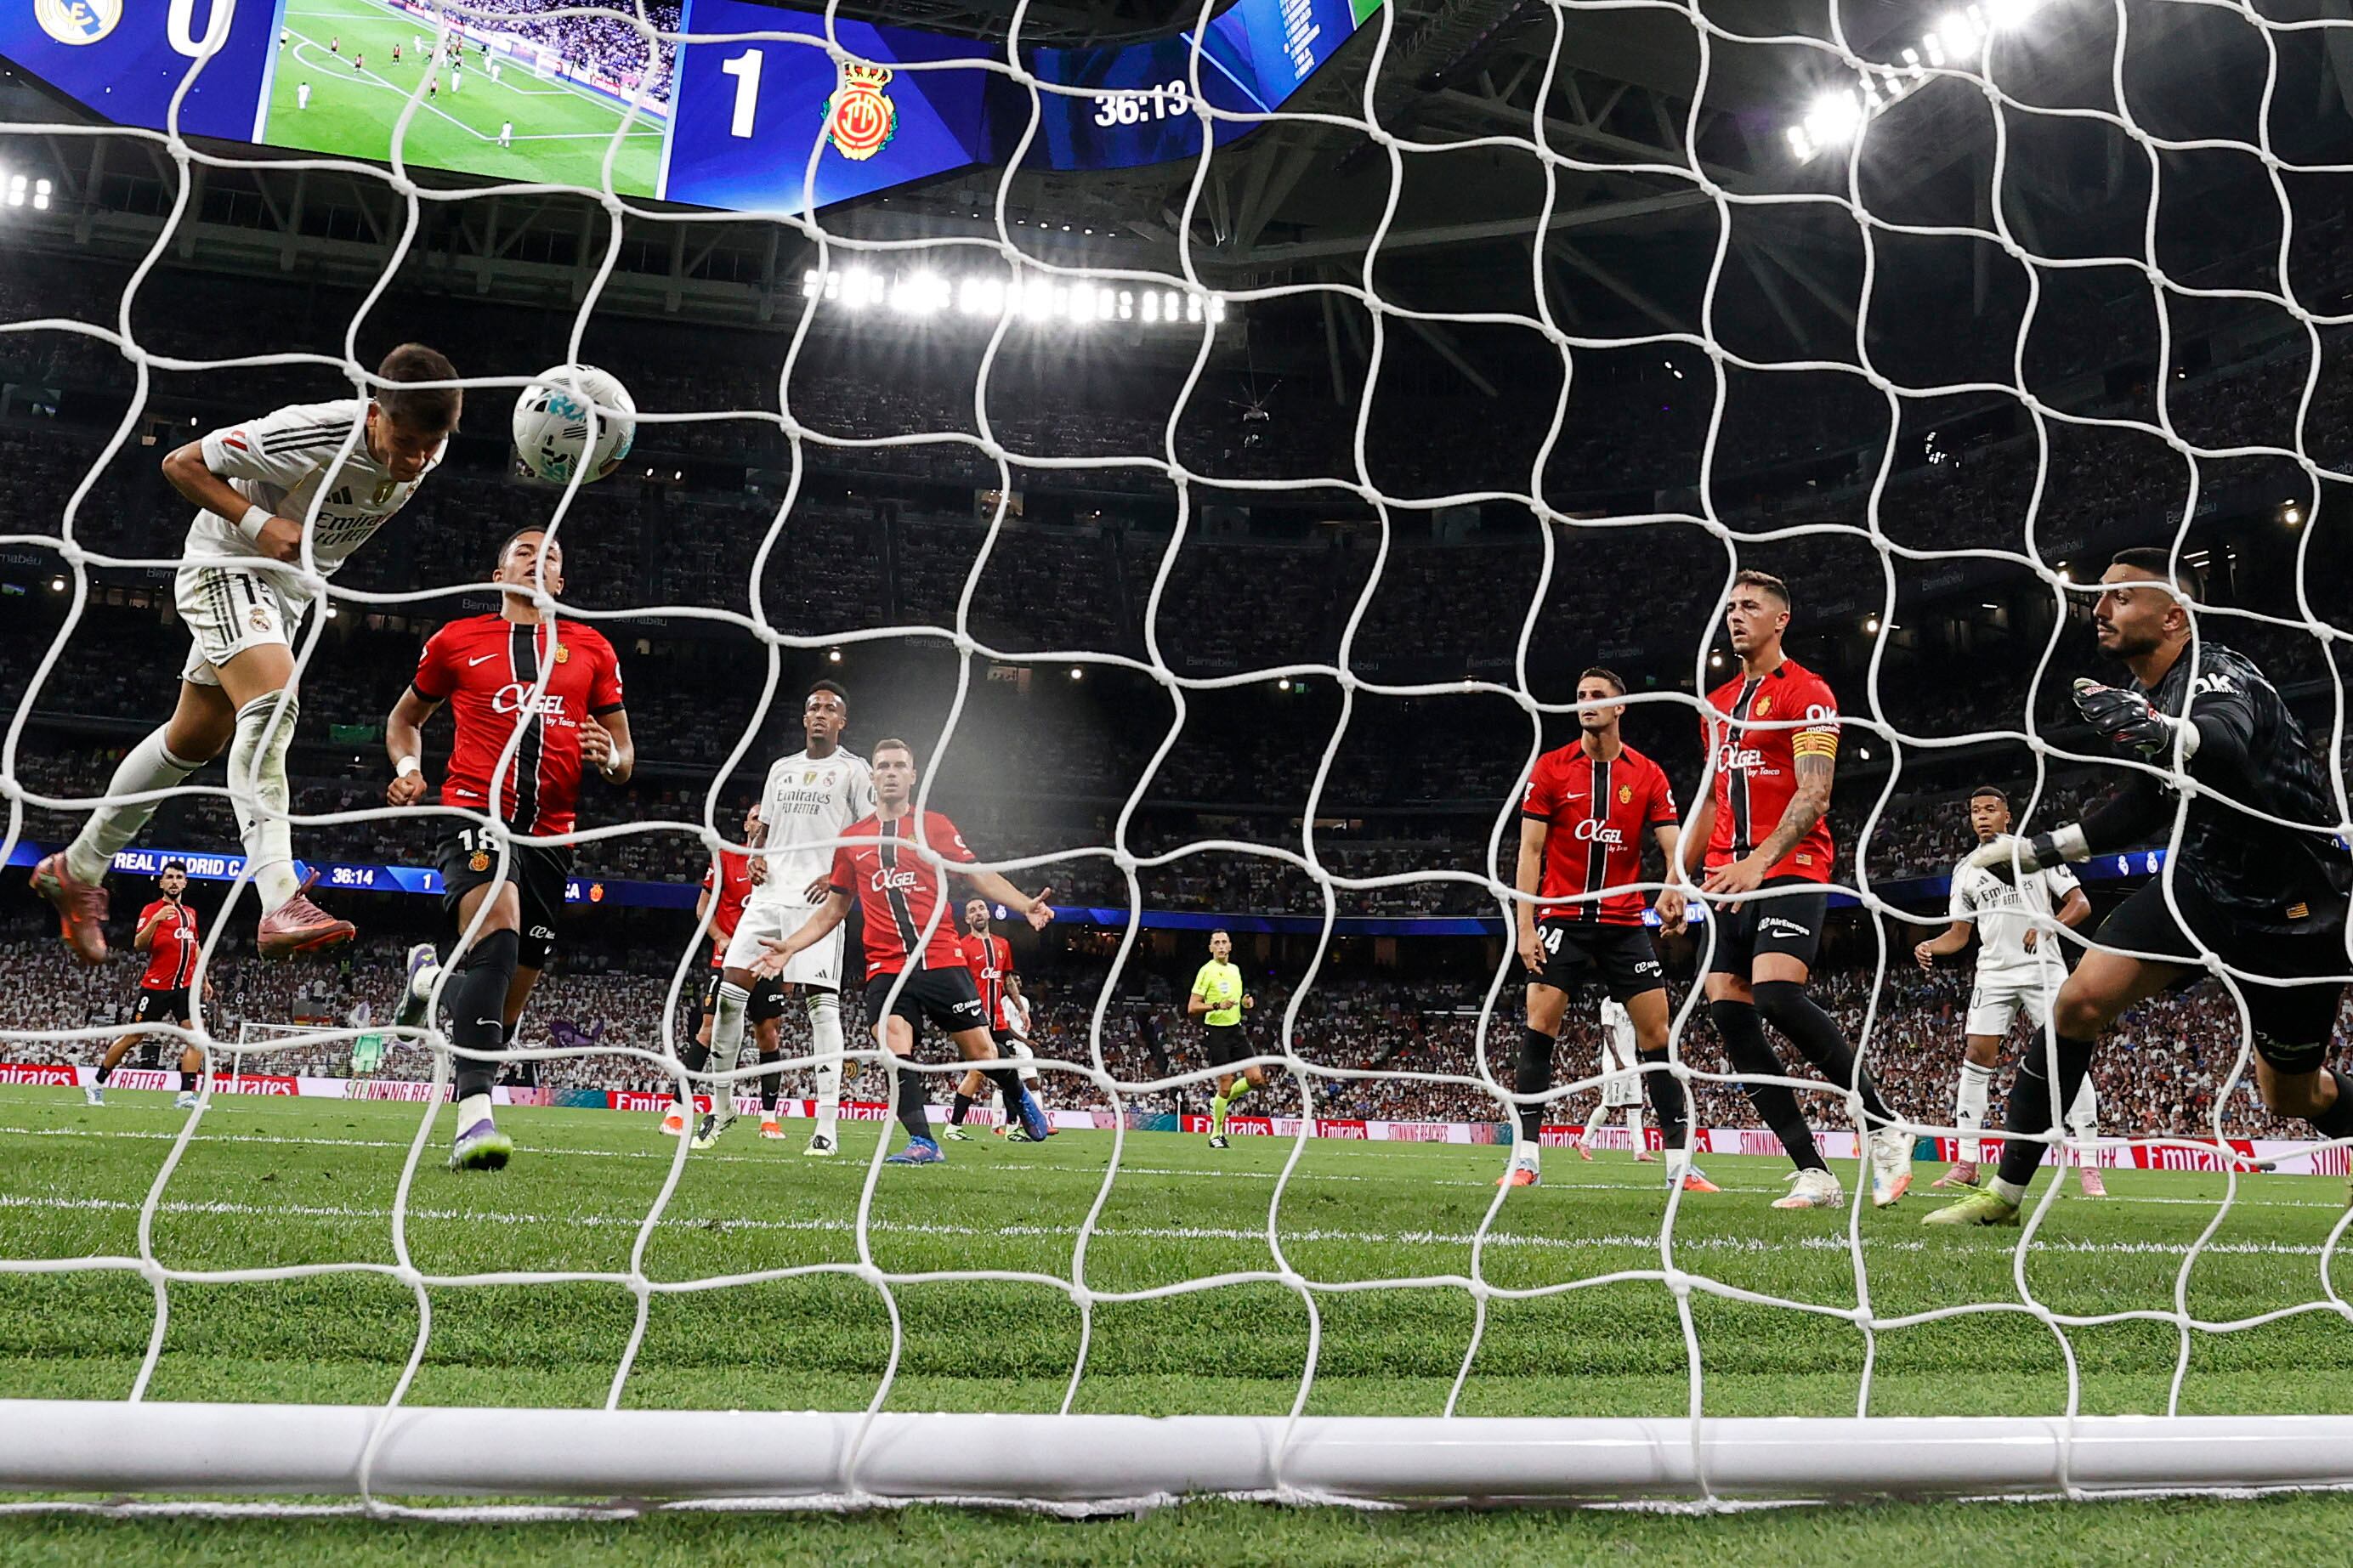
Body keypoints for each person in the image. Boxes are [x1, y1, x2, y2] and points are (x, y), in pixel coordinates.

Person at [1929, 549, 2353, 1224]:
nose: (2100, 608)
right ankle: (2004, 1193)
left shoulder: (2217, 672)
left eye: (2121, 596)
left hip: (2293, 905)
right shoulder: (2155, 695)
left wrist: (2164, 731)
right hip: (2201, 884)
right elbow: (2145, 805)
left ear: (2174, 615)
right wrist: (2035, 851)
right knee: (2077, 1003)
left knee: (2291, 1096)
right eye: (2101, 596)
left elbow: (2225, 740)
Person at [32, 345, 461, 968]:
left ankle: (77, 867)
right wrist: (259, 522)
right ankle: (279, 895)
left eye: (431, 445)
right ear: (376, 413)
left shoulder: (427, 444)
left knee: (193, 738)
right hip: (228, 563)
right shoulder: (313, 432)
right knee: (274, 703)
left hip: (288, 592)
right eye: (406, 441)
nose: (416, 459)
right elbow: (181, 463)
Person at [383, 527, 632, 1172]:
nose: (538, 559)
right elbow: (404, 719)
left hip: (551, 834)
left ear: (560, 582)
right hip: (474, 809)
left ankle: (431, 982)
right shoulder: (456, 640)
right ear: (498, 575)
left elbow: (624, 753)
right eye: (525, 551)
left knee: (507, 1000)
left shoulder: (592, 649)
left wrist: (610, 757)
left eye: (551, 556)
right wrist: (409, 767)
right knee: (496, 933)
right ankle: (474, 1120)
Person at [1680, 570, 1913, 1210]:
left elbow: (1816, 794)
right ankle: (1813, 1170)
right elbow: (1712, 800)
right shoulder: (1716, 704)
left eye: (1750, 606)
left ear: (1781, 619)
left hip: (1789, 867)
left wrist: (1759, 862)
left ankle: (1884, 1124)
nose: (1736, 616)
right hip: (1726, 875)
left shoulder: (1808, 693)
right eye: (1731, 607)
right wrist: (1677, 877)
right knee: (1729, 1011)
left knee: (1778, 995)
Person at [752, 738, 1053, 1163]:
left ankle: (1016, 1093)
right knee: (892, 1046)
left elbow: (978, 874)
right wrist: (791, 945)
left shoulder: (934, 826)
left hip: (940, 957)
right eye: (883, 766)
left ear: (912, 776)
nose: (890, 773)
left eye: (898, 766)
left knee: (983, 1054)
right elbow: (835, 907)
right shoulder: (852, 839)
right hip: (886, 965)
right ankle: (923, 1141)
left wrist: (1024, 905)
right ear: (872, 777)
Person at [1502, 666, 1710, 1192]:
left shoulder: (1648, 774)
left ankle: (1679, 1164)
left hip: (1623, 923)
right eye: (1580, 696)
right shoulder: (1550, 769)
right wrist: (1525, 925)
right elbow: (1529, 852)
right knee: (1539, 1027)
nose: (1586, 702)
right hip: (1562, 918)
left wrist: (1675, 889)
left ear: (1621, 707)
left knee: (1658, 1037)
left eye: (1597, 695)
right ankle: (1526, 1159)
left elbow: (1672, 847)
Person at [694, 682, 869, 1156]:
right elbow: (763, 832)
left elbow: (869, 835)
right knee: (729, 996)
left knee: (821, 1008)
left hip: (817, 901)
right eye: (813, 707)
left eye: (830, 709)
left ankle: (827, 1126)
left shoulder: (854, 770)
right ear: (804, 718)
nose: (820, 714)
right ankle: (722, 1107)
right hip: (768, 898)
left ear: (842, 721)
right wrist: (755, 857)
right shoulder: (781, 769)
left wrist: (838, 878)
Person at [1914, 785, 2102, 1196]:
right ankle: (1967, 1163)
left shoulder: (2034, 852)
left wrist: (2049, 925)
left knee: (2066, 1057)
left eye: (1990, 809)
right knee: (1976, 1056)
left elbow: (2079, 904)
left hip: (2043, 969)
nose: (1982, 816)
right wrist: (1930, 945)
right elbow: (1959, 934)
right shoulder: (1966, 870)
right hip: (1993, 973)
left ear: (2006, 816)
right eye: (1975, 811)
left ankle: (2089, 1165)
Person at [662, 806, 789, 1139]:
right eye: (755, 816)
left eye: (767, 817)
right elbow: (702, 907)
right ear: (747, 824)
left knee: (768, 1034)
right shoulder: (726, 858)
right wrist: (719, 937)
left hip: (767, 962)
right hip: (728, 961)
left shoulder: (784, 862)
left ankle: (769, 1118)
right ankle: (676, 1111)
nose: (761, 822)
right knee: (708, 1030)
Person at [85, 863, 212, 1111]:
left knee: (197, 1038)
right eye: (169, 877)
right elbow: (139, 944)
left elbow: (194, 945)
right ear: (161, 883)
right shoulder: (152, 910)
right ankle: (96, 1084)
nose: (174, 881)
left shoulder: (190, 913)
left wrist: (205, 977)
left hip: (184, 988)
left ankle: (186, 1095)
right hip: (156, 988)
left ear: (185, 883)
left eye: (179, 877)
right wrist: (155, 920)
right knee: (134, 1037)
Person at [944, 897, 1042, 1140]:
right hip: (976, 1022)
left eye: (981, 908)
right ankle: (956, 1127)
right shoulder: (962, 946)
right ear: (967, 919)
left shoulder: (1002, 945)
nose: (978, 913)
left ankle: (1009, 1128)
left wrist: (1021, 1009)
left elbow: (1007, 979)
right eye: (972, 910)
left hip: (998, 1021)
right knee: (980, 1073)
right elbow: (955, 983)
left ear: (988, 914)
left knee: (1004, 1071)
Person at [1190, 931, 1258, 1149]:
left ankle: (1218, 1101)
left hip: (1235, 1030)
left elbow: (1237, 1001)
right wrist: (1217, 1005)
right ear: (1211, 948)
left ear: (1230, 946)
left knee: (1256, 1079)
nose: (1220, 946)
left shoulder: (1235, 970)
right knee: (1226, 1085)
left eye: (1224, 942)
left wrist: (1245, 1003)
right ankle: (1216, 1134)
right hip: (1216, 1032)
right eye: (1216, 943)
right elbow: (1192, 1007)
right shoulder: (1206, 971)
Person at [1573, 998, 1653, 1163]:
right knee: (1610, 1105)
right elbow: (1607, 1031)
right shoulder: (1609, 1003)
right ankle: (1583, 1142)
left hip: (1631, 1062)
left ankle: (1640, 1151)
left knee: (1635, 1106)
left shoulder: (1631, 1001)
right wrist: (1617, 1059)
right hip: (1615, 1063)